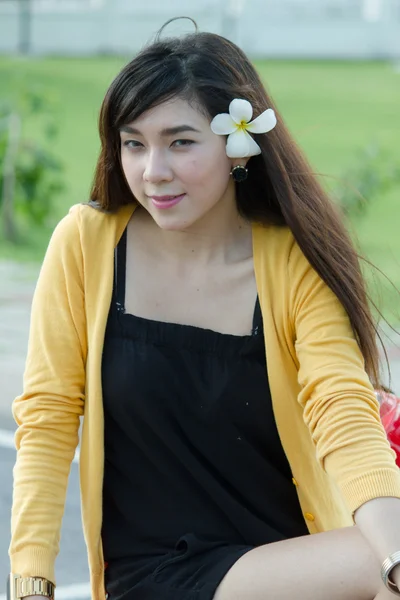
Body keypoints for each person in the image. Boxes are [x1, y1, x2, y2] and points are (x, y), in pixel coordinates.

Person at [8, 17, 400, 600]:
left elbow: (341, 409)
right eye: (133, 143)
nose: (152, 171)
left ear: (237, 146)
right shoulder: (87, 245)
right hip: (155, 571)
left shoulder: (291, 260)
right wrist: (30, 580)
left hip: (286, 558)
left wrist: (394, 555)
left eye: (180, 142)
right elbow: (48, 416)